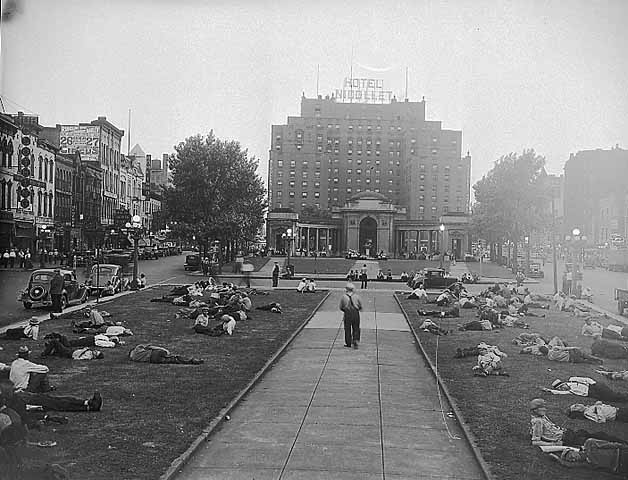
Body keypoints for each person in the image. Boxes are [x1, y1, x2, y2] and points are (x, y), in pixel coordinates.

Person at [542, 377, 628, 403]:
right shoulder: (570, 391)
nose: (562, 389)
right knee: (611, 399)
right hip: (593, 394)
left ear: (564, 383)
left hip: (595, 387)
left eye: (561, 386)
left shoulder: (573, 380)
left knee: (613, 395)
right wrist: (549, 390)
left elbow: (586, 379)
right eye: (560, 389)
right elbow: (559, 393)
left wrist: (594, 384)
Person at [339, 283, 362, 349]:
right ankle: (355, 340)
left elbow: (341, 307)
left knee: (347, 328)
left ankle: (348, 342)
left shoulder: (343, 297)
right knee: (356, 328)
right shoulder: (357, 296)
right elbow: (360, 306)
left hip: (347, 313)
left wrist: (345, 310)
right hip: (355, 313)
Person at [128, 344, 204, 364]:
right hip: (154, 353)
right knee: (174, 357)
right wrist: (163, 349)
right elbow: (151, 347)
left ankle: (191, 361)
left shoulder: (133, 358)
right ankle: (192, 360)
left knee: (173, 360)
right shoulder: (137, 348)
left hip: (153, 360)